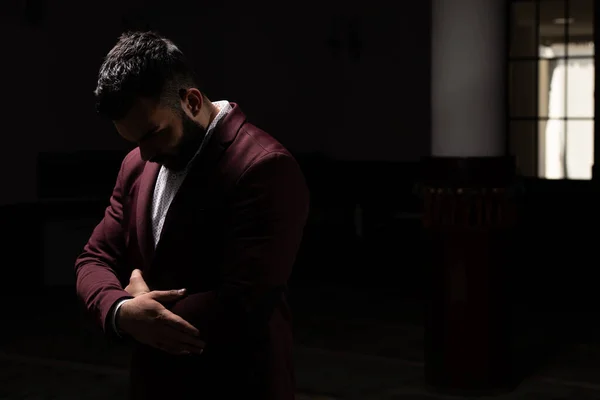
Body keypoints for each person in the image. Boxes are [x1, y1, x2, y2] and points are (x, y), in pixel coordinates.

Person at [74, 31, 309, 400]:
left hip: (237, 384)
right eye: (133, 141)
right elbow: (94, 258)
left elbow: (243, 301)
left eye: (153, 134)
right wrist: (121, 309)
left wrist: (143, 309)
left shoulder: (265, 167)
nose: (146, 154)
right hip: (155, 385)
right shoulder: (136, 165)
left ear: (192, 101)